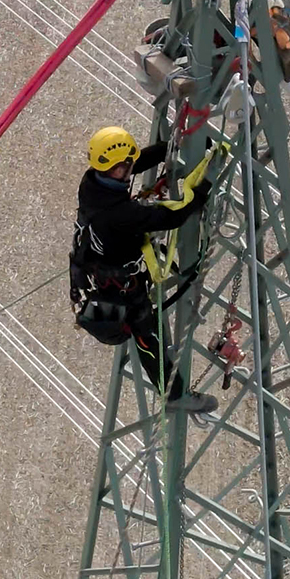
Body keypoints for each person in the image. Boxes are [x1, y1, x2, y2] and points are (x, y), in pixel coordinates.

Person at [72, 126, 217, 413]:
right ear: (113, 169)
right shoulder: (119, 214)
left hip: (104, 270)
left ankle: (170, 368)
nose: (126, 170)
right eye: (122, 167)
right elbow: (170, 216)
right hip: (120, 286)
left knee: (149, 328)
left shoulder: (93, 181)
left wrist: (170, 147)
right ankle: (174, 395)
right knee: (146, 336)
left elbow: (135, 162)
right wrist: (201, 192)